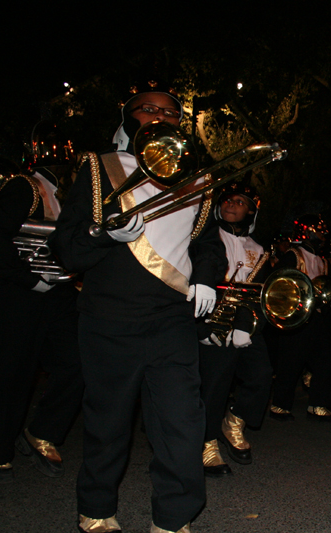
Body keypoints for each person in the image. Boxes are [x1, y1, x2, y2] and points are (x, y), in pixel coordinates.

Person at [50, 81, 223, 533]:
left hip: (171, 321)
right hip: (109, 318)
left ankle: (173, 516)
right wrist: (103, 234)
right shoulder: (98, 168)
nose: (161, 118)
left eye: (170, 113)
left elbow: (206, 243)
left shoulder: (198, 178)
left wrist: (206, 278)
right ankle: (97, 507)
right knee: (108, 424)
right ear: (129, 118)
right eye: (149, 110)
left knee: (182, 423)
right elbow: (66, 248)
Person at [0, 130, 83, 483]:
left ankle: (42, 430)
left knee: (77, 361)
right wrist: (29, 279)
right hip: (20, 296)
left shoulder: (64, 194)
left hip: (58, 295)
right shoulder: (25, 187)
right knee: (12, 372)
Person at [197, 181, 272, 476]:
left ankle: (234, 420)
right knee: (214, 385)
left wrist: (249, 324)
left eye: (240, 202)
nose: (231, 205)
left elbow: (263, 293)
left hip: (245, 324)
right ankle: (207, 442)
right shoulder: (205, 235)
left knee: (262, 375)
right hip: (212, 323)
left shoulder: (260, 249)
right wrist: (202, 327)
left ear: (251, 211)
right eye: (228, 200)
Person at [270, 212, 331, 422]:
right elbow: (279, 283)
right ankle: (280, 404)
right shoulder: (294, 254)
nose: (323, 236)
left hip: (318, 317)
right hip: (298, 318)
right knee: (292, 361)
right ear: (308, 232)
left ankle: (318, 404)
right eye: (320, 232)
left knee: (325, 360)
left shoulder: (324, 261)